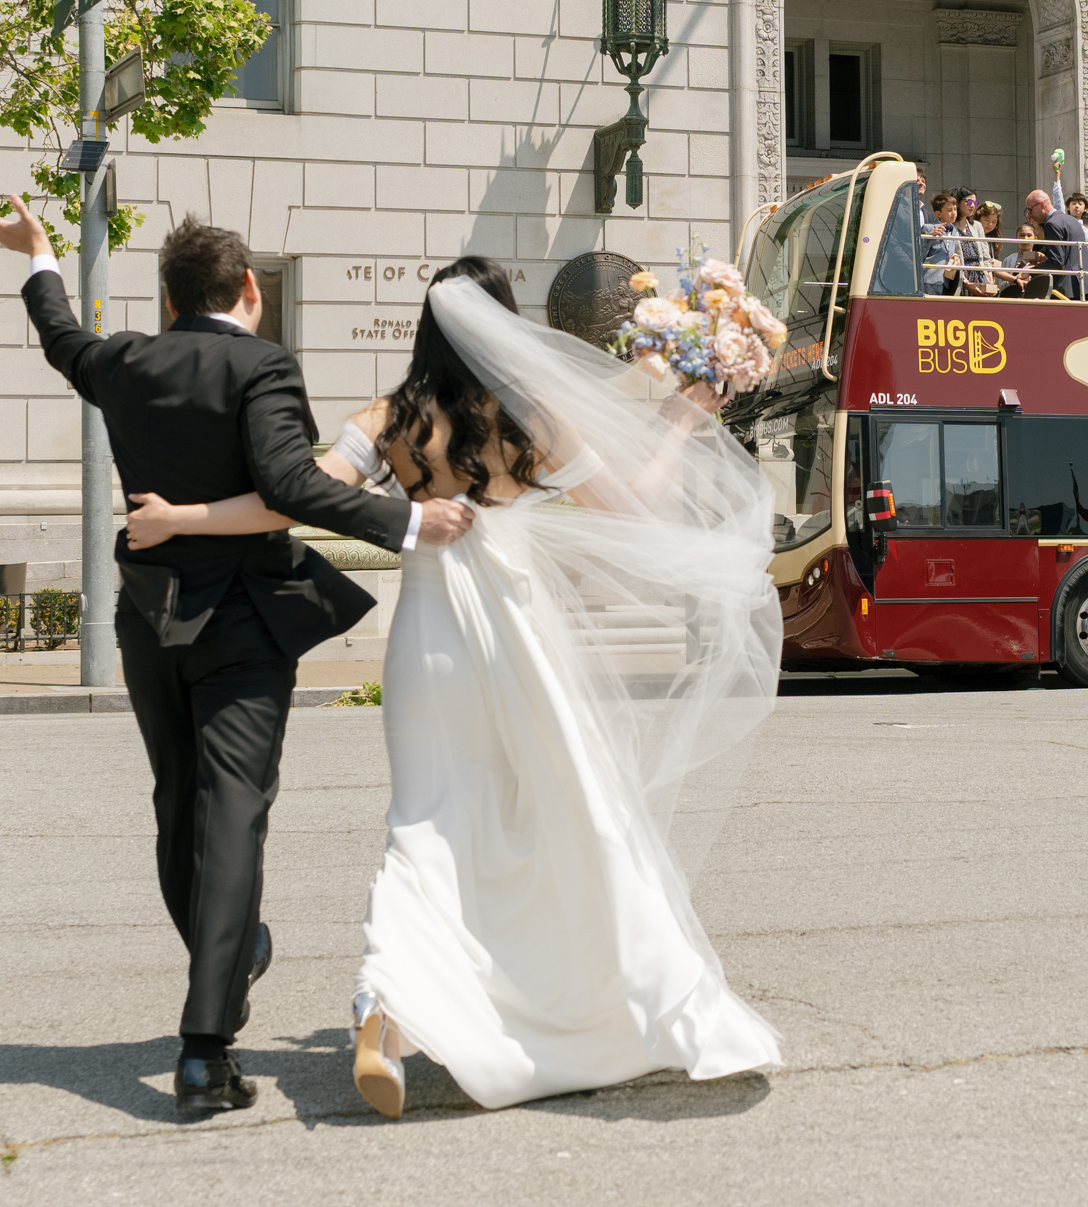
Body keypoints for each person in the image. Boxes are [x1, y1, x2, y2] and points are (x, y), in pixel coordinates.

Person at [122, 257, 784, 1116]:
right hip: (519, 637)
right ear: (507, 326)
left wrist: (179, 518)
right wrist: (678, 424)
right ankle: (554, 997)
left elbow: (287, 501)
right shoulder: (532, 417)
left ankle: (385, 1006)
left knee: (424, 825)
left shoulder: (391, 417)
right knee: (561, 813)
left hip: (428, 640)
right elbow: (634, 508)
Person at [0, 201, 476, 1117]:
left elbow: (60, 338)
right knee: (231, 815)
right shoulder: (265, 363)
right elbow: (289, 485)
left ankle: (232, 955)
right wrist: (410, 521)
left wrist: (40, 254)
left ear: (167, 301)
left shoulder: (122, 359)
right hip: (242, 626)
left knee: (178, 807)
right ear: (249, 288)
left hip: (147, 621)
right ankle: (204, 1048)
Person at [1021, 182, 1088, 300]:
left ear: (1041, 205)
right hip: (1085, 285)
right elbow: (1068, 256)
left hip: (1068, 290)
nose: (1030, 215)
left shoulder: (1052, 224)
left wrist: (1029, 271)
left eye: (1030, 210)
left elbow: (1057, 262)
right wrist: (1046, 261)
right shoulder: (1070, 220)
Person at [922, 188, 961, 295]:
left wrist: (954, 256)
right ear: (938, 214)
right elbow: (920, 254)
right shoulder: (929, 228)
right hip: (931, 278)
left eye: (955, 209)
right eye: (949, 210)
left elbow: (948, 250)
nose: (954, 213)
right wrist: (930, 237)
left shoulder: (954, 229)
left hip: (947, 279)